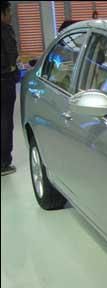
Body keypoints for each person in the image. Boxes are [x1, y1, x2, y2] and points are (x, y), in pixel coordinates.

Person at [1, 1, 18, 176]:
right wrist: (12, 68)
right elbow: (11, 56)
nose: (11, 14)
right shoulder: (5, 30)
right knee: (5, 122)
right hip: (5, 82)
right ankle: (4, 162)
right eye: (8, 11)